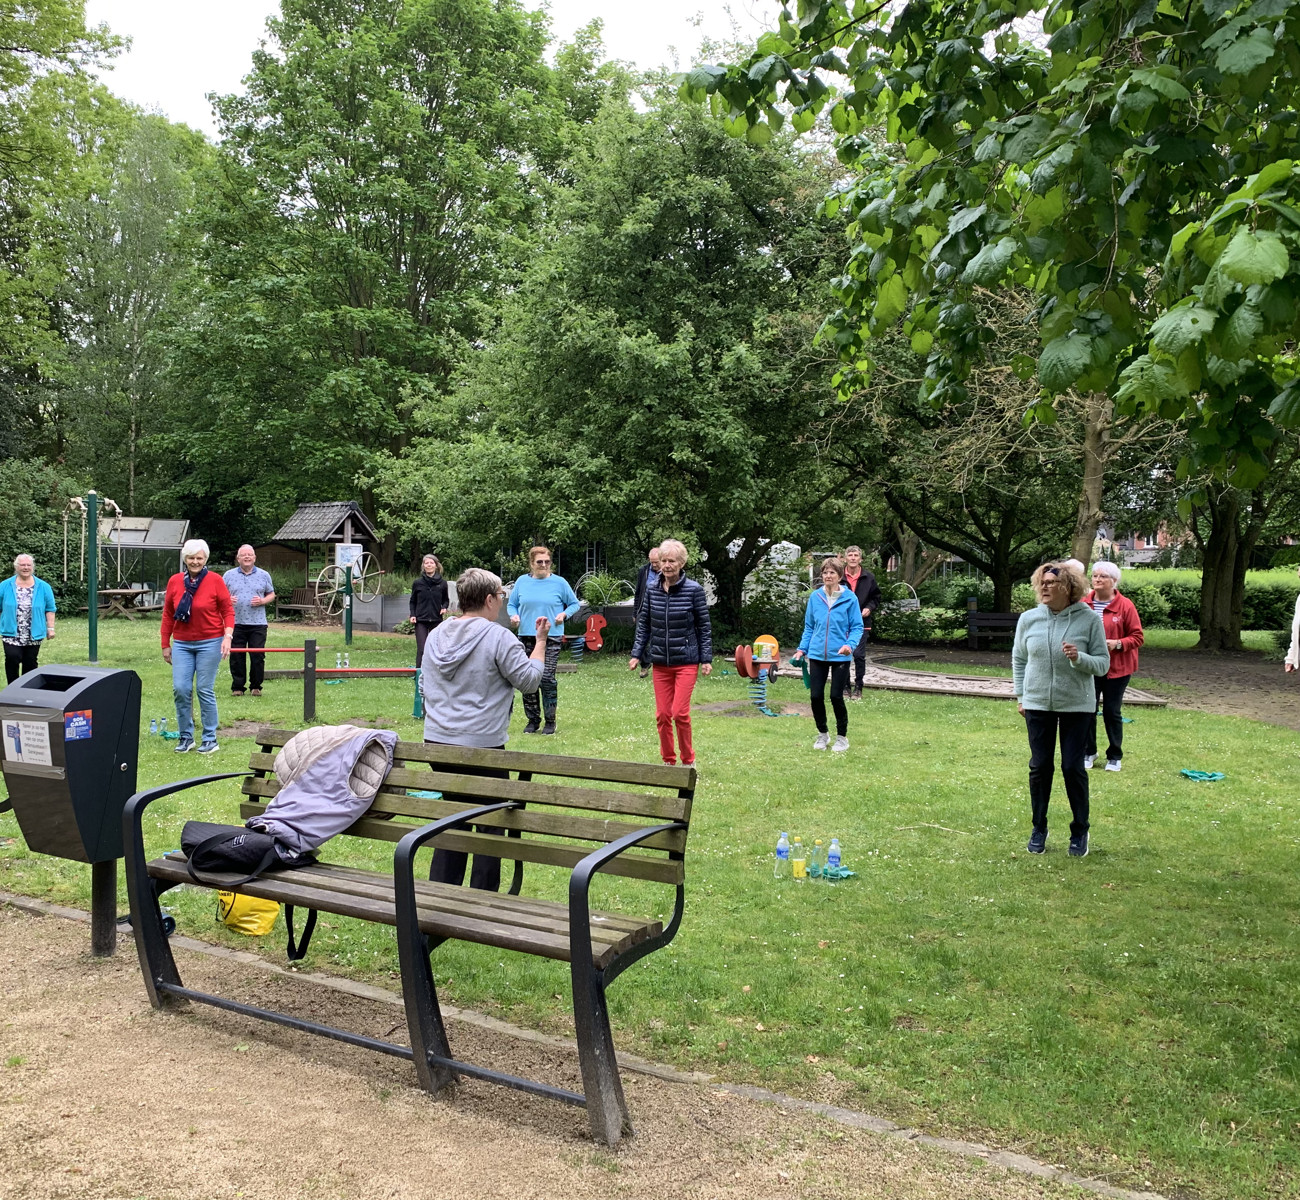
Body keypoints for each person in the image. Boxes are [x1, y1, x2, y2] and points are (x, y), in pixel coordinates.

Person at [421, 567, 551, 891]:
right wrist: (541, 643)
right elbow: (530, 681)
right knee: (491, 820)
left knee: (454, 816)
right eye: (502, 597)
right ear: (490, 599)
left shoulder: (437, 634)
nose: (503, 604)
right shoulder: (498, 636)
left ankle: (442, 891)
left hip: (436, 743)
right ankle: (482, 897)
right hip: (483, 747)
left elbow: (424, 685)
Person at [1012, 562, 1109, 857]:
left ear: (1068, 587)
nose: (1044, 587)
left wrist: (1080, 658)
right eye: (1041, 582)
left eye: (1051, 583)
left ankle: (1080, 831)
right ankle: (1038, 828)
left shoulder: (1089, 620)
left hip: (1077, 705)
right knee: (1040, 767)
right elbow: (1019, 660)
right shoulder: (1029, 619)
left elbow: (1102, 664)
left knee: (1071, 767)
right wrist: (1021, 696)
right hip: (1038, 703)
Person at [628, 539, 713, 766]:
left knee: (679, 713)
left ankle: (688, 761)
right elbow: (644, 623)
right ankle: (668, 761)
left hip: (686, 661)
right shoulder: (652, 590)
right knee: (663, 715)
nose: (667, 565)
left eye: (672, 561)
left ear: (682, 563)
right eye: (663, 561)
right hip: (661, 663)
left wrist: (706, 658)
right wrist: (637, 654)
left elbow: (704, 627)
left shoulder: (694, 590)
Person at [161, 539, 234, 755]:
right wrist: (166, 643)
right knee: (181, 689)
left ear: (205, 560)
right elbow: (167, 614)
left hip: (210, 641)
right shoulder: (175, 581)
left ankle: (210, 738)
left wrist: (227, 636)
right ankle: (186, 737)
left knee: (204, 688)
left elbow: (228, 610)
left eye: (199, 558)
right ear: (185, 559)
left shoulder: (215, 580)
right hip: (182, 643)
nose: (195, 561)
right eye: (191, 558)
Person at [792, 557, 863, 753]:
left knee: (835, 697)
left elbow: (857, 627)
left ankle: (842, 738)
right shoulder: (815, 597)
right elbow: (809, 627)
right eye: (825, 572)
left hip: (840, 656)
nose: (828, 576)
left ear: (840, 576)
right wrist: (801, 649)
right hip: (816, 655)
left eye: (832, 572)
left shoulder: (850, 599)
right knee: (815, 696)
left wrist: (849, 645)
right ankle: (823, 734)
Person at [507, 546, 580, 735]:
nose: (543, 565)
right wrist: (514, 616)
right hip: (526, 635)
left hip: (551, 635)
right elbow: (512, 604)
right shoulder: (522, 582)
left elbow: (574, 603)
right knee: (528, 678)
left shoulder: (559, 582)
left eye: (547, 562)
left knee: (546, 678)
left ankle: (550, 720)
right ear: (532, 563)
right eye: (539, 562)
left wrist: (564, 614)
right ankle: (532, 721)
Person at [1083, 561, 1144, 772]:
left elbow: (1137, 637)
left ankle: (1115, 756)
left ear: (1114, 581)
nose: (1097, 580)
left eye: (1103, 576)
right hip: (1090, 667)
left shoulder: (1125, 605)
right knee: (1087, 710)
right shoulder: (1083, 603)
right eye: (1095, 576)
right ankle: (1089, 752)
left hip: (1117, 668)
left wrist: (1117, 643)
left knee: (1111, 711)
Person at [222, 545, 276, 697]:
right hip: (235, 622)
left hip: (258, 623)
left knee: (257, 655)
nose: (247, 557)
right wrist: (227, 599)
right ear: (238, 558)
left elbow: (271, 594)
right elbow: (218, 595)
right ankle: (237, 687)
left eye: (250, 555)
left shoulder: (264, 575)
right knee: (237, 656)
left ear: (254, 557)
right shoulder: (228, 575)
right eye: (243, 555)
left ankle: (256, 686)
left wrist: (263, 600)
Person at [1, 555, 57, 684]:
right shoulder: (5, 585)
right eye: (22, 565)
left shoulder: (43, 586)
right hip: (11, 631)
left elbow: (50, 608)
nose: (25, 567)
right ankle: (12, 689)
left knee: (30, 662)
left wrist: (51, 628)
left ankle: (27, 691)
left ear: (32, 567)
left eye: (28, 565)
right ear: (16, 567)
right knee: (12, 658)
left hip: (34, 632)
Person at [842, 546, 882, 700]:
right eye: (850, 555)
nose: (853, 558)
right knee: (844, 654)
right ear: (845, 558)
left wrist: (869, 608)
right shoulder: (839, 577)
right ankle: (845, 687)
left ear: (860, 559)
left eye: (856, 555)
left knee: (858, 655)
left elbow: (876, 597)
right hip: (842, 623)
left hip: (862, 622)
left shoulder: (869, 577)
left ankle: (859, 687)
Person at [409, 554, 449, 667]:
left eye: (431, 563)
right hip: (421, 620)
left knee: (435, 648)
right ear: (423, 566)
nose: (429, 565)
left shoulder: (442, 583)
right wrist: (413, 614)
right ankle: (419, 673)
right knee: (422, 649)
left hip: (436, 620)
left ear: (436, 566)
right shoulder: (418, 583)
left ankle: (435, 671)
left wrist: (444, 608)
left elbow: (446, 600)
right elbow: (413, 601)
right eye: (426, 563)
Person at [632, 547, 662, 678]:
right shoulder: (643, 571)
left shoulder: (669, 572)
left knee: (659, 638)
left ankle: (661, 665)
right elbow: (638, 593)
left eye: (656, 562)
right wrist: (634, 612)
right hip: (643, 610)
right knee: (640, 638)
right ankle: (645, 664)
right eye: (652, 562)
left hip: (661, 610)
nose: (654, 565)